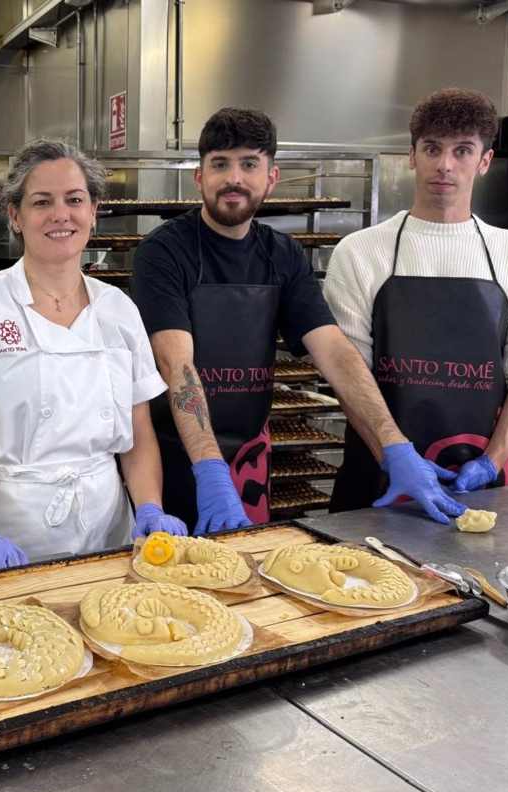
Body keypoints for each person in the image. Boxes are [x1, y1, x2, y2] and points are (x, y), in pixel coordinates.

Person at [133, 108, 467, 532]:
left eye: (249, 164)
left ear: (271, 177)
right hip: (178, 458)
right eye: (220, 164)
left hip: (250, 457)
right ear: (199, 177)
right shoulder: (164, 252)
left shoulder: (283, 255)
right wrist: (211, 472)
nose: (234, 178)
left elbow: (334, 350)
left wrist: (395, 445)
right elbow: (176, 365)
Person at [0, 140, 186, 573]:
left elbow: (138, 437)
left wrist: (150, 509)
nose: (61, 214)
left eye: (75, 200)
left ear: (94, 210)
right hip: (11, 535)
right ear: (15, 216)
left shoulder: (119, 309)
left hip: (111, 531)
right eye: (42, 201)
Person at [324, 88, 508, 511]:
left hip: (485, 486)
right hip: (379, 481)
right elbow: (348, 373)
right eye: (432, 149)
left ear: (484, 161)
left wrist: (492, 462)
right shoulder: (362, 251)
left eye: (462, 151)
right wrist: (393, 457)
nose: (445, 165)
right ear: (412, 155)